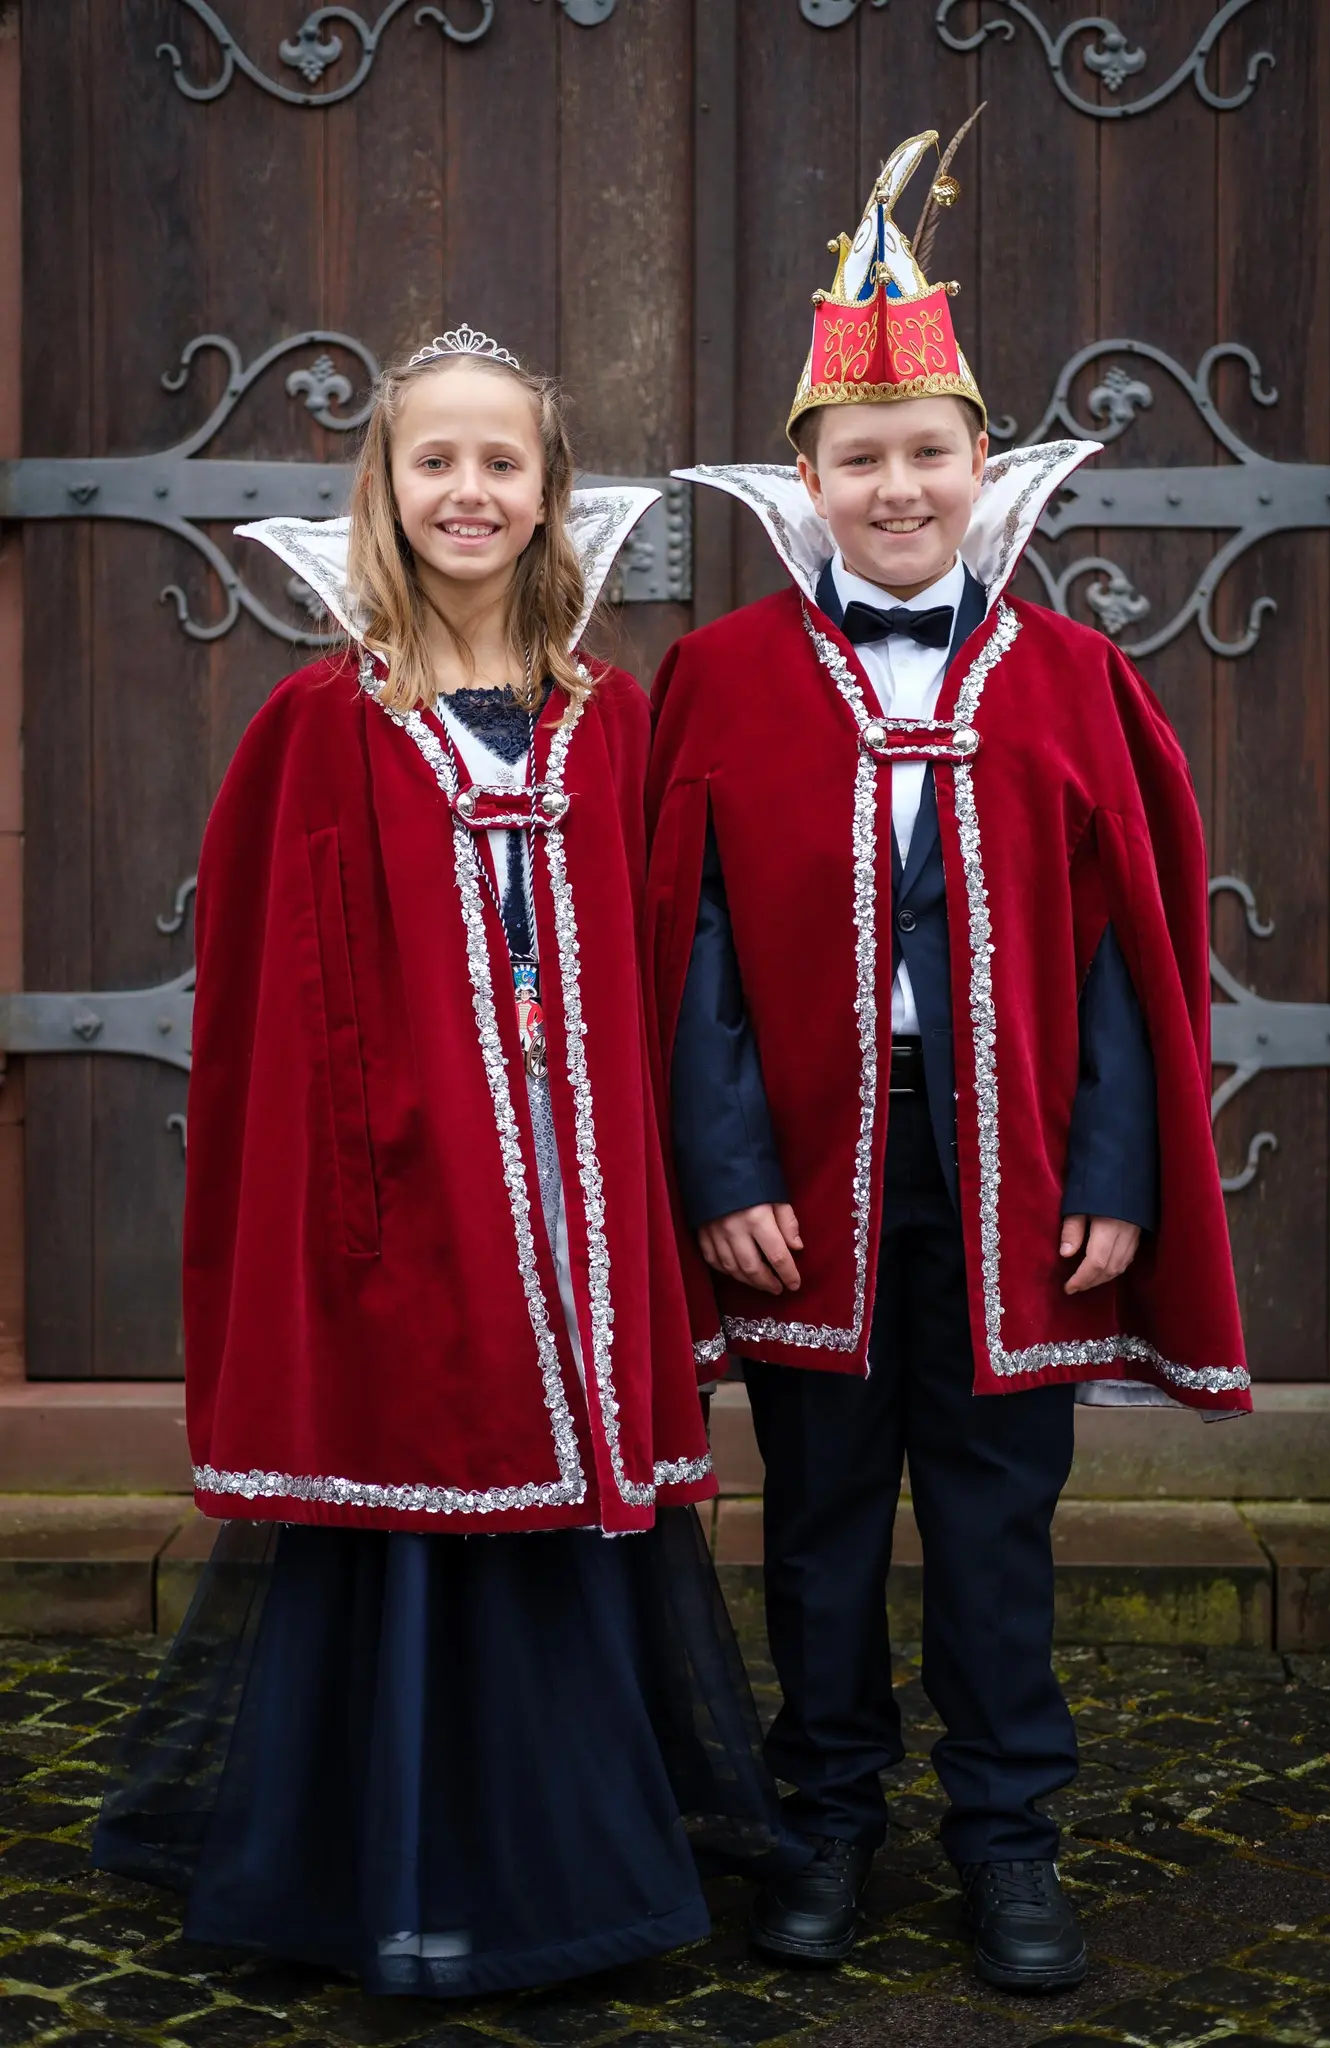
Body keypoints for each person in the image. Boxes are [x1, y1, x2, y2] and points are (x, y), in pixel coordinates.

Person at [93, 326, 800, 1996]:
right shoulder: (315, 724)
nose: (469, 491)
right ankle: (395, 1875)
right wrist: (366, 1181)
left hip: (581, 1205)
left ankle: (575, 1855)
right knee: (421, 1509)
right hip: (404, 1208)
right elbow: (287, 1002)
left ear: (550, 490)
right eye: (437, 461)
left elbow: (673, 965)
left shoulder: (610, 723)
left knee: (571, 1521)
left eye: (503, 461)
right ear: (385, 489)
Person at [644, 131, 1251, 1990]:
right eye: (861, 461)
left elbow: (1135, 954)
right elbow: (692, 947)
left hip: (1018, 1179)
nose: (897, 490)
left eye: (929, 458)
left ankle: (1011, 1841)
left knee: (995, 1528)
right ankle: (822, 1827)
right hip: (810, 1179)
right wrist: (726, 1165)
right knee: (822, 1527)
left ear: (984, 474)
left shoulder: (1075, 678)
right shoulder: (724, 678)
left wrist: (1122, 1178)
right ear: (804, 481)